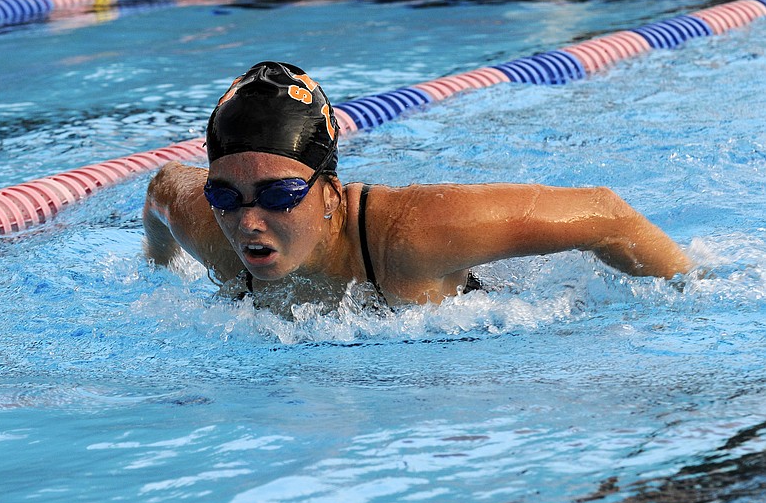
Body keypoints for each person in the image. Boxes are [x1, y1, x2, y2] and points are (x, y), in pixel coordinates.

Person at [143, 61, 692, 310]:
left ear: (330, 192)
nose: (247, 220)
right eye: (224, 196)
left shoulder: (413, 236)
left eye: (279, 195)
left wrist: (694, 294)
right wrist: (157, 270)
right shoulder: (214, 236)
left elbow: (604, 213)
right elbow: (162, 189)